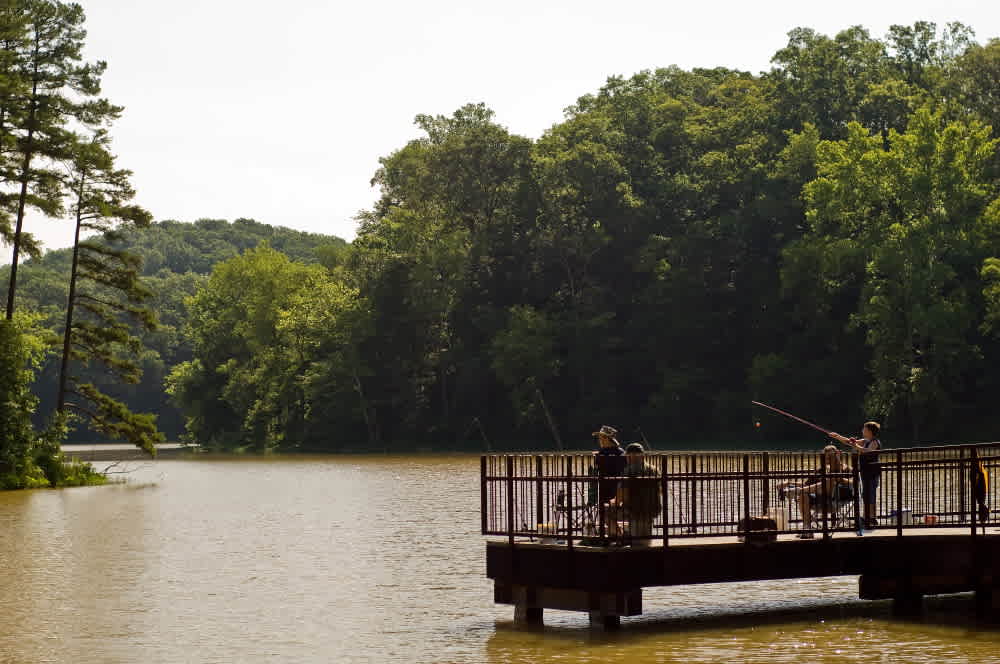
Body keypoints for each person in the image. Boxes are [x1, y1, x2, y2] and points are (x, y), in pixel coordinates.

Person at [777, 445, 852, 539]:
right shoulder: (821, 469)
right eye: (825, 457)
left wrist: (840, 479)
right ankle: (807, 529)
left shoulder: (846, 468)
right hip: (819, 499)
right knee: (803, 495)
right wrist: (789, 483)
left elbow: (854, 483)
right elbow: (806, 484)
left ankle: (796, 491)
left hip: (836, 500)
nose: (827, 460)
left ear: (837, 456)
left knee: (829, 480)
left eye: (830, 457)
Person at [606, 443, 661, 546]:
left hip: (634, 509)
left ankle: (620, 536)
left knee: (606, 510)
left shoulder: (629, 471)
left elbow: (622, 495)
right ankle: (629, 536)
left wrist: (614, 502)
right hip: (653, 509)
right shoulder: (655, 470)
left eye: (627, 456)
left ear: (629, 456)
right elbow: (661, 491)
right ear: (643, 456)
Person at [829, 421, 881, 529]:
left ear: (869, 431)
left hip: (872, 473)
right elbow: (849, 442)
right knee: (866, 494)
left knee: (871, 495)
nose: (862, 430)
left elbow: (867, 451)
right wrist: (837, 436)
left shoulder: (874, 442)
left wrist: (855, 445)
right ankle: (868, 517)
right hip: (865, 472)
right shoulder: (865, 441)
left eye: (864, 429)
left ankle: (871, 518)